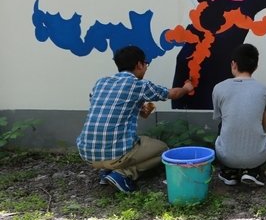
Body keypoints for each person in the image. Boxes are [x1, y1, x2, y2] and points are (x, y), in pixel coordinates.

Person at [76, 45, 194, 194]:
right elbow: (173, 94)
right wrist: (186, 88)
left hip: (87, 152)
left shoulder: (101, 83)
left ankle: (106, 172)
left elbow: (109, 106)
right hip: (116, 154)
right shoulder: (139, 85)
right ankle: (123, 174)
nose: (146, 68)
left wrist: (139, 108)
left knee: (123, 142)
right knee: (163, 150)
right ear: (139, 64)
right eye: (146, 64)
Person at [212, 44, 266, 187]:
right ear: (256, 67)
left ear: (234, 64)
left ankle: (229, 172)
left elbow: (220, 117)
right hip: (257, 156)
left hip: (226, 155)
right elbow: (265, 124)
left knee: (223, 124)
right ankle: (252, 171)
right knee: (259, 131)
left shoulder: (219, 88)